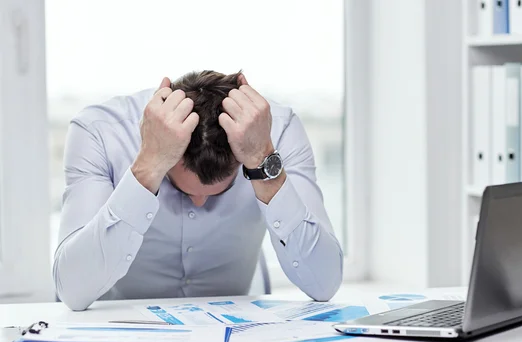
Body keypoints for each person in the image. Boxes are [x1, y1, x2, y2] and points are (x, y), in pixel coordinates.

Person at [53, 70, 343, 311]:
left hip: (240, 341)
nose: (199, 202)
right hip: (116, 336)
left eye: (220, 191)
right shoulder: (100, 131)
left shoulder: (276, 131)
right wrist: (149, 166)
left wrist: (262, 161)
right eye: (181, 186)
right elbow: (73, 289)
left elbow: (324, 282)